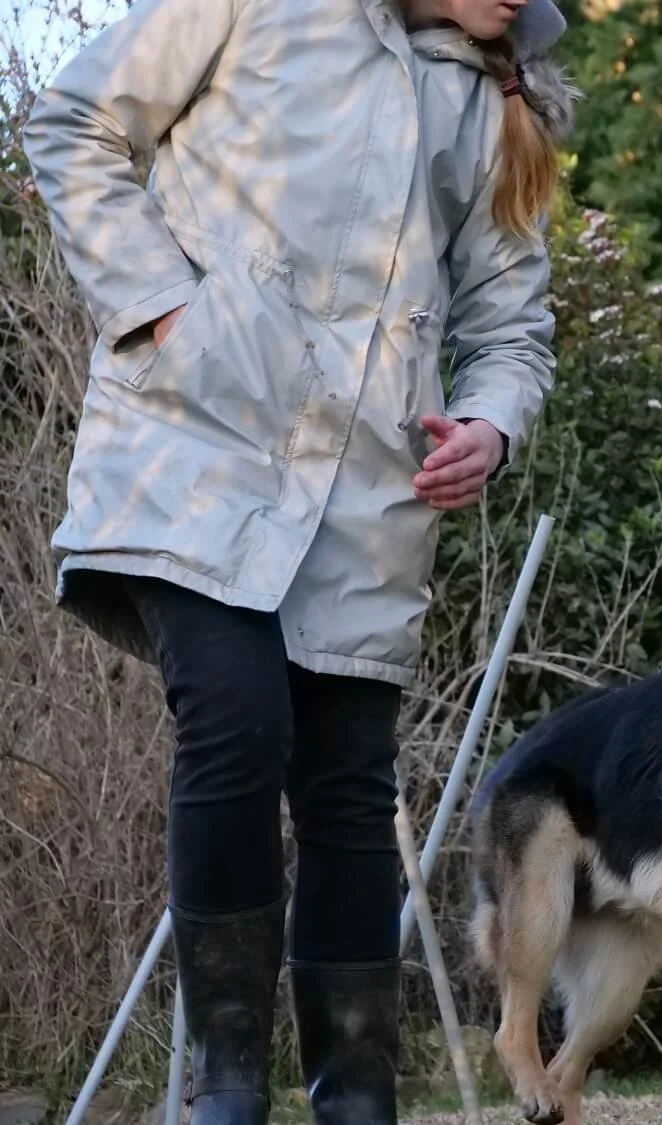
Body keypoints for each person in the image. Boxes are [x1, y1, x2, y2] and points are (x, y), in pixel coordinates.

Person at [22, 0, 578, 1121]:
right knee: (235, 717)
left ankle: (355, 1093)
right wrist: (159, 307)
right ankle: (229, 1086)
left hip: (370, 493)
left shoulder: (488, 98)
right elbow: (71, 121)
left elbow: (511, 325)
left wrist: (490, 425)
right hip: (194, 448)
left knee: (346, 787)